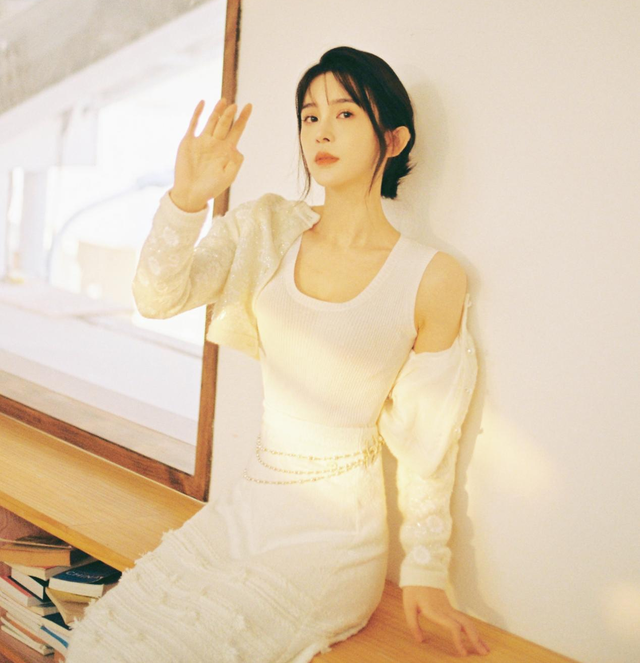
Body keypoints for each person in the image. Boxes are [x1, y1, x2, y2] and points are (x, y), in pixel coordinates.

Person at [65, 46, 489, 661]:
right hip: (244, 508)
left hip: (334, 536)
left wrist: (426, 567)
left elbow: (429, 441)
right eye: (310, 116)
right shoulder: (266, 227)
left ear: (393, 140)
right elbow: (157, 298)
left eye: (345, 114)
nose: (321, 131)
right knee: (103, 644)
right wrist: (185, 201)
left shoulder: (431, 275)